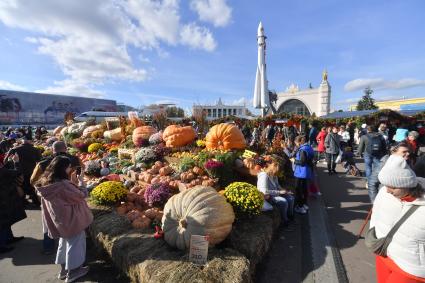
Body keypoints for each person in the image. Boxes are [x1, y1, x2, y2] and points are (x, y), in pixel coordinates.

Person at [36, 156, 93, 282]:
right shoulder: (63, 185)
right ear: (63, 168)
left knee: (64, 243)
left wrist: (72, 182)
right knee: (75, 244)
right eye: (68, 167)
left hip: (58, 219)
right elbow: (81, 195)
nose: (70, 169)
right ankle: (74, 272)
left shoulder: (46, 182)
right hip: (71, 219)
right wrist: (80, 182)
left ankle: (63, 270)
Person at [370, 155, 425, 282]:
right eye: (386, 185)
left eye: (393, 187)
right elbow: (375, 215)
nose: (387, 190)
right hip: (384, 255)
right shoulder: (384, 192)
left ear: (407, 185)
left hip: (410, 268)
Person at [31, 141, 82, 255]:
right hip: (71, 194)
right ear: (65, 148)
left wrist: (43, 189)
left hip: (49, 197)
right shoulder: (75, 160)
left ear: (53, 150)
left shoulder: (42, 163)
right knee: (71, 221)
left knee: (48, 220)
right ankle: (70, 248)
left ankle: (48, 247)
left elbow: (33, 180)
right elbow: (82, 173)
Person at [0, 153, 26, 253]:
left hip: (5, 198)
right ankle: (2, 245)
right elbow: (17, 172)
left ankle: (9, 238)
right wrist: (16, 162)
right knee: (3, 222)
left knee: (6, 221)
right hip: (3, 199)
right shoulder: (2, 171)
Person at [5, 137, 42, 206]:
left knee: (20, 187)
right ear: (30, 142)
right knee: (32, 187)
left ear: (22, 142)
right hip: (31, 172)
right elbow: (40, 162)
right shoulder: (36, 150)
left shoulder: (14, 149)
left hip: (18, 172)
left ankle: (22, 201)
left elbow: (5, 161)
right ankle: (35, 201)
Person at [257, 160, 295, 227]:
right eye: (276, 173)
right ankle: (285, 220)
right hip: (267, 196)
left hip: (275, 193)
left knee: (291, 198)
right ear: (272, 170)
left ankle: (290, 215)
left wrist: (284, 190)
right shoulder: (264, 175)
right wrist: (279, 192)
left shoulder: (274, 176)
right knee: (284, 201)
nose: (276, 175)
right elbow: (264, 191)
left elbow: (277, 185)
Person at [358, 126, 387, 192]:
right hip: (377, 154)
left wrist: (359, 153)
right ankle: (377, 181)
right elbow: (384, 146)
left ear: (367, 130)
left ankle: (369, 182)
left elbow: (360, 146)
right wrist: (384, 153)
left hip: (367, 154)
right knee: (377, 168)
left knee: (368, 168)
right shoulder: (380, 136)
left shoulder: (364, 136)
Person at [293, 135, 315, 214]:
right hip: (306, 171)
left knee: (298, 189)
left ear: (299, 142)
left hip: (300, 172)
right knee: (304, 188)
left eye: (295, 143)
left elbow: (302, 162)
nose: (295, 144)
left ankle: (300, 206)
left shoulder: (302, 150)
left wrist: (294, 161)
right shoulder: (308, 147)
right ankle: (304, 204)